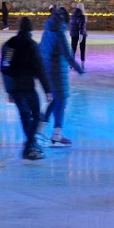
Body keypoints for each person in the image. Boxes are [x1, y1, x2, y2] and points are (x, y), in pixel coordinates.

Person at [1, 17, 53, 160]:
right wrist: (47, 89)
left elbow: (5, 66)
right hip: (28, 87)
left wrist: (9, 89)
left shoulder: (10, 45)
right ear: (31, 29)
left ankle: (31, 143)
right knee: (37, 115)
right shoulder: (32, 45)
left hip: (15, 88)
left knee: (25, 115)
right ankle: (29, 146)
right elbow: (40, 69)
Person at [39, 8, 83, 147]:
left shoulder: (47, 31)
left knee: (55, 100)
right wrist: (79, 69)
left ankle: (40, 128)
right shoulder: (59, 34)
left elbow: (40, 49)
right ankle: (57, 135)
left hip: (47, 70)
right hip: (58, 71)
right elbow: (67, 54)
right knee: (61, 101)